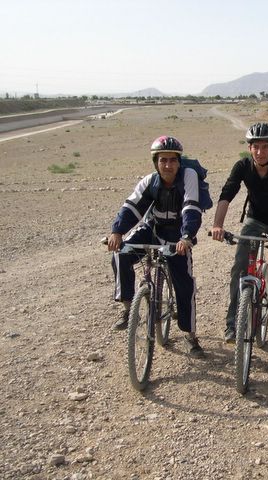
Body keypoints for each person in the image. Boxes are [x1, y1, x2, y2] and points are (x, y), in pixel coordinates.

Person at [210, 122, 268, 357]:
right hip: (255, 221)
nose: (260, 152)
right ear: (249, 148)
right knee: (239, 268)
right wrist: (217, 225)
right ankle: (233, 324)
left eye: (265, 147)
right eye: (255, 147)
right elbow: (227, 194)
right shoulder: (242, 166)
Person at [108, 135, 205, 358]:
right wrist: (117, 232)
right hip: (153, 229)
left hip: (178, 236)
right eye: (163, 160)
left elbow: (191, 207)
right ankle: (128, 308)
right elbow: (131, 206)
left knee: (184, 285)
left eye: (172, 160)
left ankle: (190, 335)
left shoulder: (188, 176)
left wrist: (187, 236)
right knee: (121, 253)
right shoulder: (150, 181)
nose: (168, 165)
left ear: (179, 162)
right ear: (156, 162)